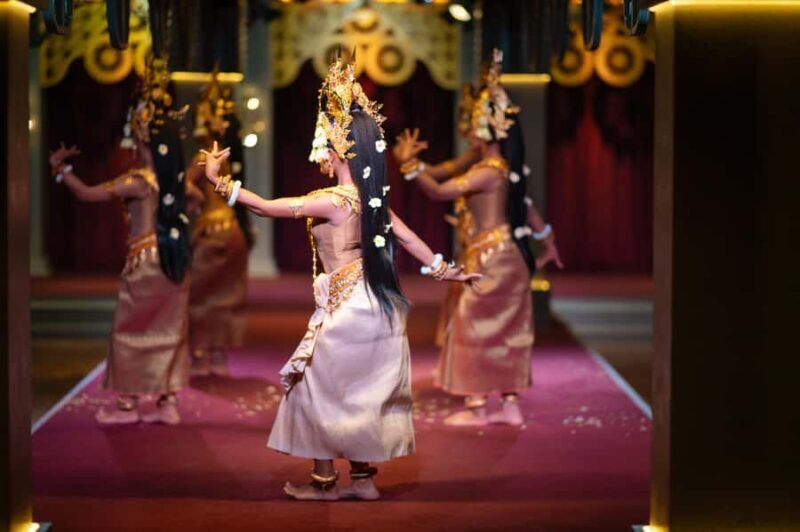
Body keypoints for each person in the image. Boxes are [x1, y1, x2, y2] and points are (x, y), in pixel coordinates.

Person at [199, 56, 479, 501]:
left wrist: (218, 181)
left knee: (316, 389)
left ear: (339, 151)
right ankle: (363, 480)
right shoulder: (372, 200)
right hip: (375, 302)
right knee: (358, 392)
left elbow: (266, 208)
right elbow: (410, 239)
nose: (321, 155)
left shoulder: (333, 200)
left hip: (348, 307)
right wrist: (448, 271)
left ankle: (325, 483)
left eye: (325, 146)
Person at [394, 49, 562, 427]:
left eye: (473, 121)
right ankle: (509, 405)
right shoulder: (499, 168)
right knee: (508, 331)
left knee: (473, 327)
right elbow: (527, 209)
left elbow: (439, 191)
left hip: (492, 260)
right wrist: (548, 240)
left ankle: (476, 407)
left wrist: (408, 166)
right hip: (503, 256)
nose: (469, 129)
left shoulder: (488, 171)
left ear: (486, 128)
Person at [48, 59, 191, 425]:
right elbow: (195, 201)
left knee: (130, 331)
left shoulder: (137, 181)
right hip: (174, 258)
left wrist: (61, 170)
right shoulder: (173, 181)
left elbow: (87, 194)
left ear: (141, 138)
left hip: (145, 261)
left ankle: (128, 404)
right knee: (168, 329)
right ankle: (167, 402)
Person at [185, 71, 252, 377]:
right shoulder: (229, 156)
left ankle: (202, 353)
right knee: (226, 294)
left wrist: (196, 201)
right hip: (233, 230)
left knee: (201, 293)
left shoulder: (206, 158)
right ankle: (217, 354)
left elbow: (184, 185)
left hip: (211, 232)